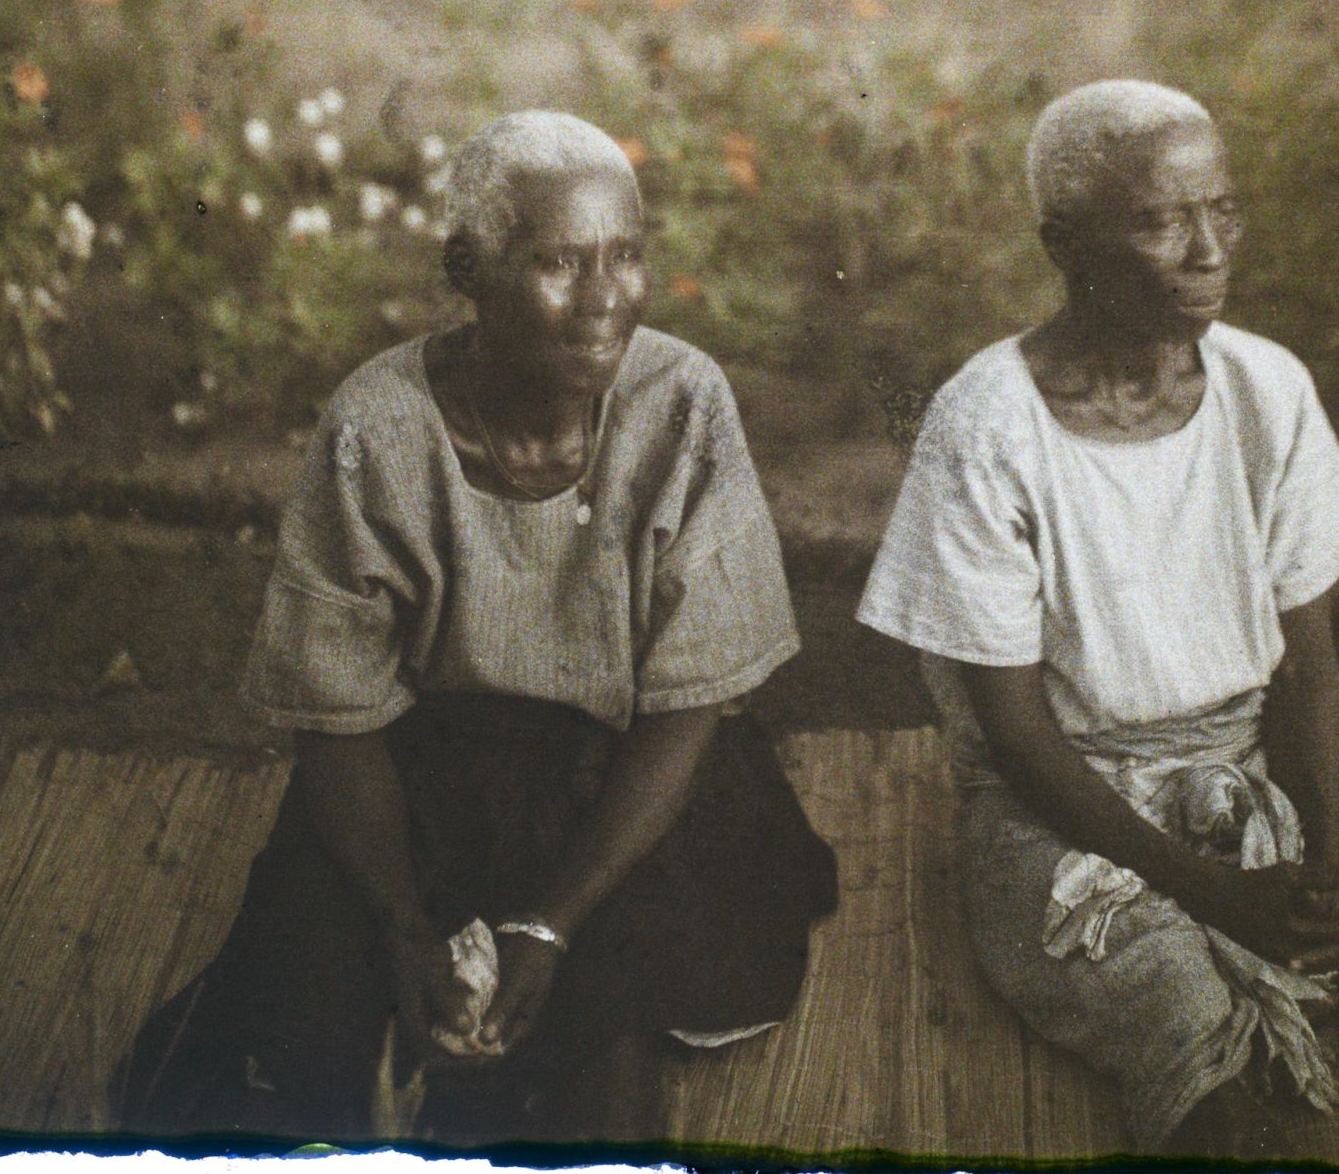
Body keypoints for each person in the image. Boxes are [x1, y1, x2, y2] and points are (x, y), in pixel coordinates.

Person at [855, 80, 1339, 1160]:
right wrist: (1216, 894)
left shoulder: (1264, 389)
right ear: (1065, 245)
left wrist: (1324, 857)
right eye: (1159, 220)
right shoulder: (985, 426)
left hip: (1263, 746)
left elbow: (1304, 666)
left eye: (1222, 210)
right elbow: (1014, 734)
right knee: (1176, 1013)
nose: (1207, 251)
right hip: (1073, 789)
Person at [117, 111, 837, 1147]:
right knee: (313, 1010)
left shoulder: (680, 403)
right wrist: (403, 924)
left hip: (623, 770)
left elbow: (689, 705)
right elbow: (338, 714)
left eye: (626, 255)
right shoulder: (377, 428)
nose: (605, 297)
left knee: (609, 1015)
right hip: (428, 770)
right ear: (468, 269)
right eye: (558, 261)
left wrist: (552, 918)